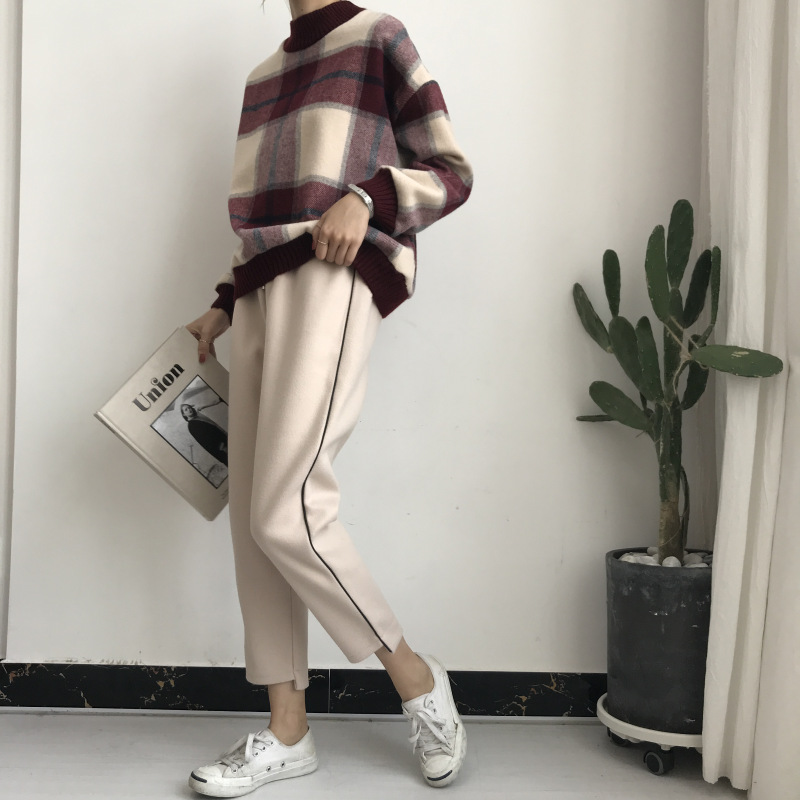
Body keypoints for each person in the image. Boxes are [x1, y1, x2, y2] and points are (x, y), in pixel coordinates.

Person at [185, 0, 473, 795]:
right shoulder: (263, 77)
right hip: (258, 295)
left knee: (289, 510)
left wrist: (369, 196)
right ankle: (287, 731)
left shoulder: (378, 37)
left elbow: (451, 170)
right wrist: (223, 300)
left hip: (333, 275)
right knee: (255, 521)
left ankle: (415, 677)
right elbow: (260, 219)